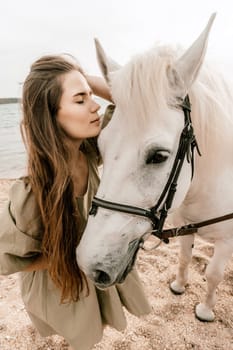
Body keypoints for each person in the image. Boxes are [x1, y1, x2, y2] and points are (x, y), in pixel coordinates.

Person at [0, 54, 151, 350]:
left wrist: (80, 75)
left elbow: (130, 103)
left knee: (96, 323)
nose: (95, 106)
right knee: (80, 333)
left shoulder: (91, 150)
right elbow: (4, 257)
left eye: (91, 96)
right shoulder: (34, 192)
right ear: (51, 113)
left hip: (90, 268)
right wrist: (67, 253)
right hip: (60, 285)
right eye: (80, 100)